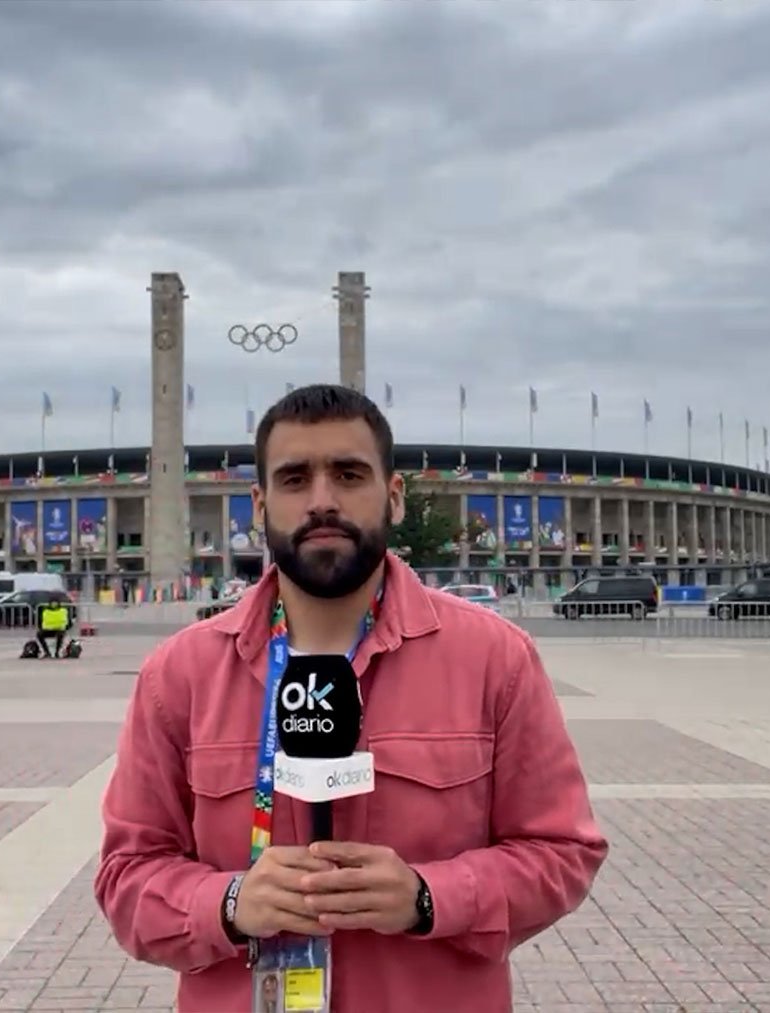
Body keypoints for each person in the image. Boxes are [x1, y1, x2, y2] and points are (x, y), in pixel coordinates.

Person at [96, 384, 607, 1012]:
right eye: (294, 478)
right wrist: (229, 904)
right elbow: (126, 877)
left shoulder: (494, 660)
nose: (322, 501)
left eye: (348, 474)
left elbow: (563, 853)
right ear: (259, 504)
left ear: (392, 495)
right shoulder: (180, 675)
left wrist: (428, 897)